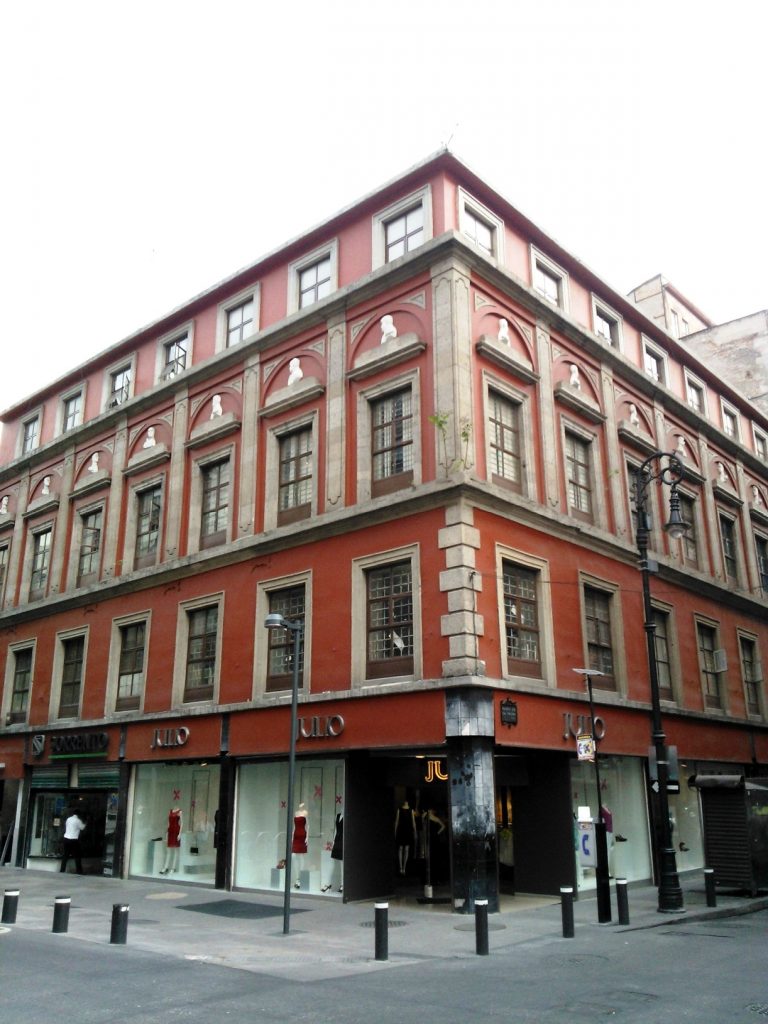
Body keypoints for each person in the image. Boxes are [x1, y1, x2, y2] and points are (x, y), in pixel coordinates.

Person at [60, 809, 86, 874]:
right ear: (79, 815)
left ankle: (62, 870)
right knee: (77, 856)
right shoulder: (78, 821)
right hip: (74, 839)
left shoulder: (68, 819)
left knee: (65, 855)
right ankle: (79, 871)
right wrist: (85, 823)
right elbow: (82, 828)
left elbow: (66, 826)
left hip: (66, 838)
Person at [159, 807, 182, 874]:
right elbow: (168, 823)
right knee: (168, 850)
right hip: (170, 831)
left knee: (176, 850)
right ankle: (165, 867)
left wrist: (180, 834)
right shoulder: (170, 811)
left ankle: (173, 868)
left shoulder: (180, 812)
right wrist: (167, 833)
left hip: (176, 831)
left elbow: (182, 823)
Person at [292, 802, 308, 889]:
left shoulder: (305, 813)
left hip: (302, 836)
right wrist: (292, 837)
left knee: (301, 856)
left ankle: (300, 878)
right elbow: (294, 826)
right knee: (294, 856)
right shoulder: (296, 813)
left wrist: (307, 838)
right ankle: (297, 877)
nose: (300, 806)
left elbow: (307, 826)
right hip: (296, 836)